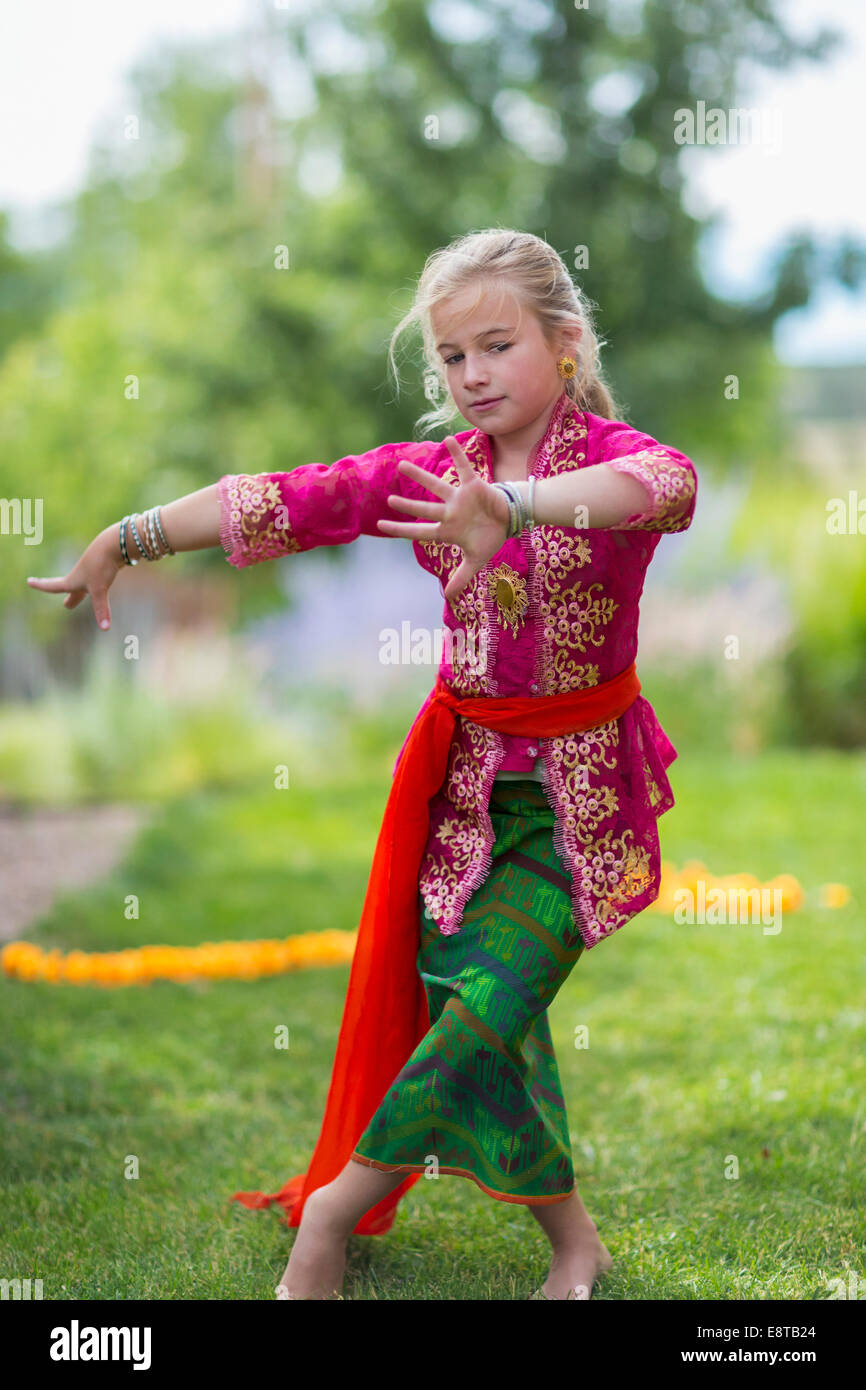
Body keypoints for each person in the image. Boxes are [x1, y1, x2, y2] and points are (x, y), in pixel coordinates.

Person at [26, 229, 698, 1301]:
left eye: (495, 346)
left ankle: (330, 1218)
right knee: (491, 1029)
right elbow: (283, 500)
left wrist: (512, 507)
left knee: (482, 1012)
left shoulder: (618, 459)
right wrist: (130, 533)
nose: (471, 375)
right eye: (450, 357)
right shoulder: (427, 476)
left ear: (562, 345)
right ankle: (575, 1245)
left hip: (578, 814)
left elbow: (659, 488)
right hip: (463, 807)